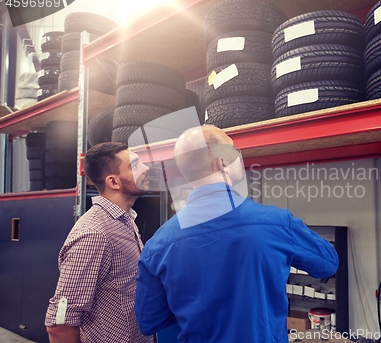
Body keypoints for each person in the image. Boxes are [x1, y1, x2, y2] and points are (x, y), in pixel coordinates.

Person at [134, 125, 339, 342]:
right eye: (235, 152)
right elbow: (327, 263)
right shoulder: (276, 223)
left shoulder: (157, 244)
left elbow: (149, 321)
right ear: (222, 162)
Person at [45, 142, 154, 343]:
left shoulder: (124, 221)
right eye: (135, 165)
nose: (146, 168)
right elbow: (60, 325)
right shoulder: (94, 235)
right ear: (113, 181)